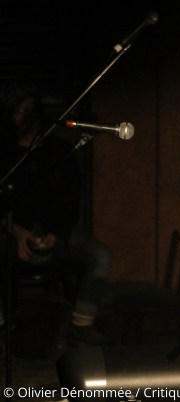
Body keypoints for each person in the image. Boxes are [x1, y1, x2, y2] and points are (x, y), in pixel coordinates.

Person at [0, 82, 112, 346]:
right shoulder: (6, 155)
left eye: (27, 110)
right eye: (19, 110)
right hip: (13, 232)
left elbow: (70, 200)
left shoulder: (57, 152)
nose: (22, 116)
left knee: (99, 255)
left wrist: (56, 232)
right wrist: (17, 231)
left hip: (54, 235)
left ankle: (81, 325)